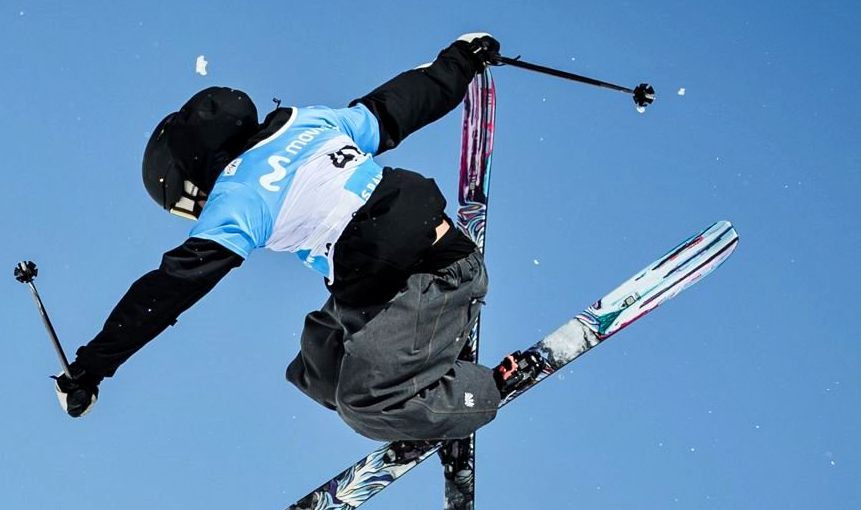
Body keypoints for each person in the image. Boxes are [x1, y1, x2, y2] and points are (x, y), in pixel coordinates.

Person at [53, 33, 548, 440]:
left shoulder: (237, 195)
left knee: (360, 402)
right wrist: (461, 58)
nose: (196, 212)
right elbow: (402, 102)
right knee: (318, 368)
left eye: (186, 202)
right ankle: (414, 395)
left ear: (197, 170)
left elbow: (168, 290)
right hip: (379, 283)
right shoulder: (310, 122)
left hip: (434, 275)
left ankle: (479, 391)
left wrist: (92, 366)